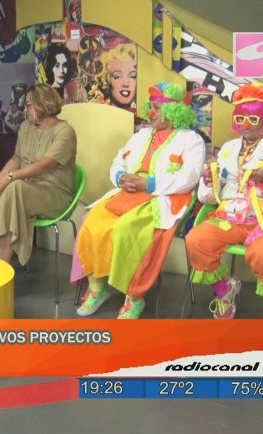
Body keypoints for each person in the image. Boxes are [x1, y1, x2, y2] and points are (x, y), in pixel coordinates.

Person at [186, 83, 263, 342]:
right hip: (232, 216)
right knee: (196, 240)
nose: (245, 124)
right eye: (240, 118)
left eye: (253, 119)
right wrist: (210, 181)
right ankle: (224, 291)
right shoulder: (229, 148)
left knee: (262, 253)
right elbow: (207, 198)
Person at [71, 81, 204, 319]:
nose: (150, 113)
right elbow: (118, 162)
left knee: (127, 229)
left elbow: (190, 178)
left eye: (156, 108)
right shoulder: (141, 135)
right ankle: (98, 287)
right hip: (129, 192)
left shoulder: (192, 140)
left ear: (174, 111)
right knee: (91, 221)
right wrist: (120, 177)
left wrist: (149, 184)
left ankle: (133, 297)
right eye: (149, 106)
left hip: (165, 196)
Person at [0, 83, 77, 264]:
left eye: (29, 105)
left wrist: (8, 178)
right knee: (10, 202)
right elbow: (16, 159)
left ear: (43, 104)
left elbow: (43, 165)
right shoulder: (26, 127)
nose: (25, 109)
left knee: (14, 187)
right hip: (26, 191)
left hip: (55, 194)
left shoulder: (65, 132)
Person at [102, 43, 137, 111]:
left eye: (132, 76)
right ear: (107, 79)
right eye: (117, 76)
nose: (125, 84)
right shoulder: (99, 111)